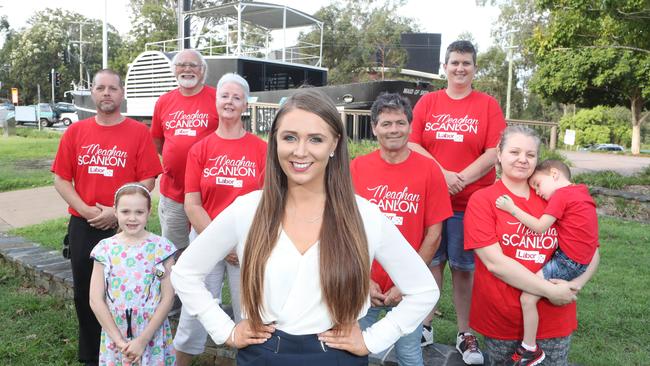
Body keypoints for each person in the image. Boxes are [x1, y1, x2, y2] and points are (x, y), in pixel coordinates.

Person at [171, 88, 438, 365]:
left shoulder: (365, 216)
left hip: (336, 356)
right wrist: (225, 330)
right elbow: (185, 273)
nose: (300, 151)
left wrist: (374, 339)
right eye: (289, 137)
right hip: (262, 355)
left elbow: (423, 291)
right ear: (274, 141)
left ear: (334, 143)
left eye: (315, 139)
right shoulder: (247, 209)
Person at [52, 69, 162, 366]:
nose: (107, 93)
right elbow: (61, 179)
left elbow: (149, 179)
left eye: (113, 88)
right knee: (86, 294)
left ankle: (128, 352)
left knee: (129, 296)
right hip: (83, 225)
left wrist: (117, 212)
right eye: (100, 88)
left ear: (122, 93)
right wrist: (87, 210)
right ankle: (91, 357)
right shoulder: (76, 131)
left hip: (126, 227)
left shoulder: (138, 132)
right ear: (92, 92)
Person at [464, 126, 600, 365]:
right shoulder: (484, 200)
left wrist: (574, 286)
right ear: (499, 153)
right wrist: (550, 291)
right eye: (514, 151)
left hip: (555, 317)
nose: (522, 160)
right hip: (502, 318)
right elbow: (495, 263)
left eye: (530, 154)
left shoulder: (553, 197)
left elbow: (591, 249)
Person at [408, 40, 506, 364]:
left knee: (464, 268)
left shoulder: (487, 105)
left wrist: (460, 177)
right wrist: (443, 175)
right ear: (444, 67)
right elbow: (413, 144)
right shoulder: (428, 102)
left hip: (471, 202)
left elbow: (494, 151)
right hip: (433, 199)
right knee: (432, 262)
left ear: (475, 68)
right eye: (454, 62)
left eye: (466, 63)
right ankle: (425, 324)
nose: (460, 68)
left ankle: (466, 333)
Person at [350, 93, 452, 365]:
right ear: (374, 128)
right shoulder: (356, 169)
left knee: (409, 354)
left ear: (410, 125)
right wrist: (362, 279)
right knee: (352, 349)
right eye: (386, 123)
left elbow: (434, 234)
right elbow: (346, 229)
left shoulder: (430, 171)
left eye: (399, 122)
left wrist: (408, 281)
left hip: (408, 289)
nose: (393, 129)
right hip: (364, 283)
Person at [174, 73, 267, 366]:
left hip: (248, 243)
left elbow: (267, 203)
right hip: (205, 238)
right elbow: (192, 204)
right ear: (216, 102)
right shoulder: (200, 149)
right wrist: (220, 244)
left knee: (250, 312)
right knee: (194, 309)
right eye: (224, 96)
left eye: (236, 97)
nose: (229, 102)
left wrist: (239, 245)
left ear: (245, 105)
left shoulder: (262, 150)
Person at [494, 159, 599, 364]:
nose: (538, 192)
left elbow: (540, 227)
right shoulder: (581, 193)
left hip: (566, 262)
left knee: (527, 298)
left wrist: (512, 208)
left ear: (554, 174)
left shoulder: (562, 195)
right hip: (581, 261)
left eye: (538, 184)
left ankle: (529, 348)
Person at [89, 183, 176, 365]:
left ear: (149, 212)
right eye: (125, 211)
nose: (132, 218)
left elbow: (168, 298)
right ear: (115, 211)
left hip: (151, 333)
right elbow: (95, 300)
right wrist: (120, 343)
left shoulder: (162, 248)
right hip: (116, 332)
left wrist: (143, 340)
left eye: (139, 212)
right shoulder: (105, 249)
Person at [150, 49, 219, 251]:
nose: (187, 69)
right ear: (174, 69)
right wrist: (176, 159)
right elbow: (157, 140)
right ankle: (173, 283)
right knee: (173, 249)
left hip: (208, 192)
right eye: (181, 64)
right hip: (174, 192)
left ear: (203, 70)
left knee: (206, 249)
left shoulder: (217, 98)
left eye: (193, 65)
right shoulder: (164, 101)